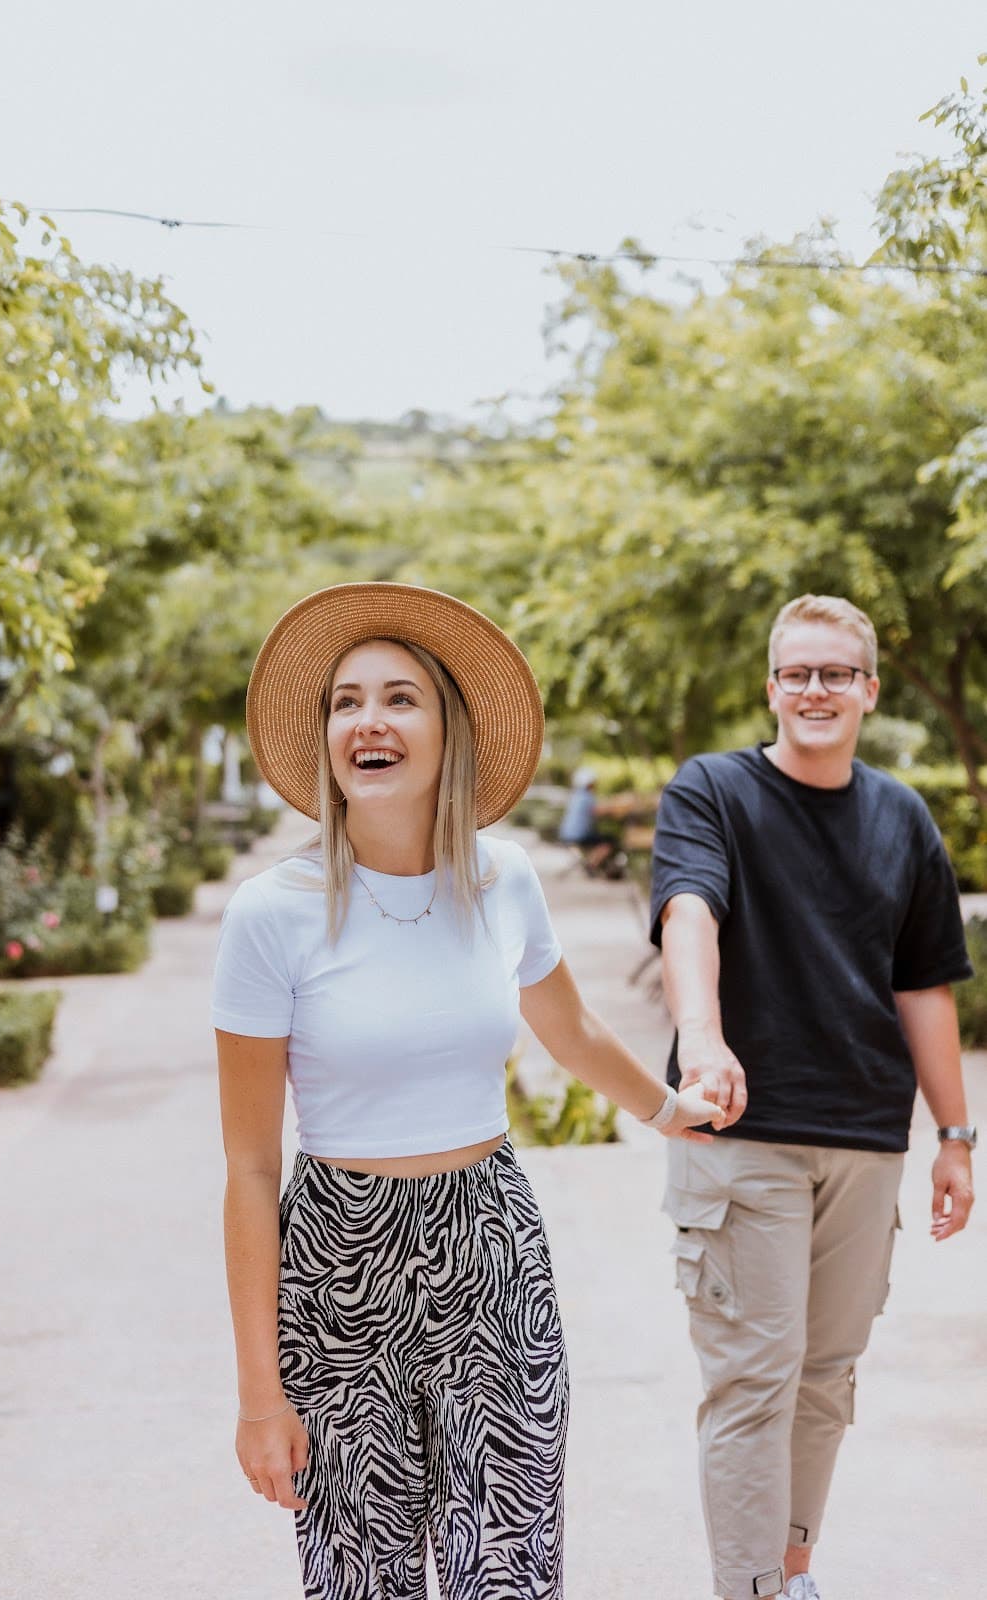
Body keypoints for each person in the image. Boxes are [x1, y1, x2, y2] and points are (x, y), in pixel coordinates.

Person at [211, 581, 723, 1600]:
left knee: (512, 1566)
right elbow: (249, 1165)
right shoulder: (268, 915)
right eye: (345, 700)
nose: (369, 718)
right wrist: (257, 1396)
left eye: (400, 697)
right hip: (335, 1261)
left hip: (489, 1239)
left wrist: (669, 1109)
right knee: (363, 1577)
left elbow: (568, 1024)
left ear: (447, 728)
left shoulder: (504, 878)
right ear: (324, 738)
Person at [649, 593, 976, 1600]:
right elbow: (688, 910)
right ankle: (747, 1588)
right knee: (753, 1376)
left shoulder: (899, 817)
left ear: (867, 692)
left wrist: (954, 1134)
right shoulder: (711, 791)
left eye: (836, 673)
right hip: (740, 1131)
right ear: (770, 687)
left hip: (863, 1138)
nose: (815, 690)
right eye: (796, 672)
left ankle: (788, 1570)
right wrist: (701, 1039)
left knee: (823, 1376)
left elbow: (920, 984)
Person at [558, 767, 621, 876]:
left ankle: (591, 863)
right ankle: (591, 864)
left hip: (565, 833)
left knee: (601, 837)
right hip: (579, 835)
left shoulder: (576, 795)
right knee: (610, 841)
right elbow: (598, 811)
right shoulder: (587, 796)